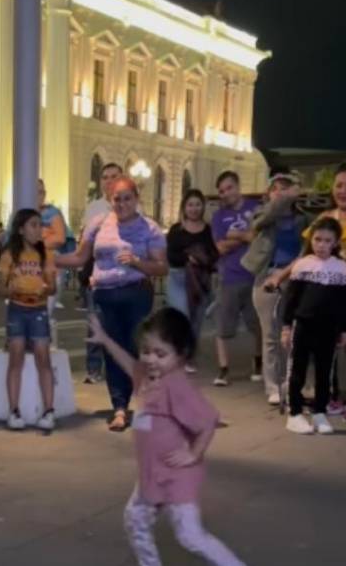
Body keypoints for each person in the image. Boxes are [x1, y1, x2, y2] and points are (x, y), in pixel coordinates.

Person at [88, 309, 265, 566]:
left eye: (160, 354)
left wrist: (193, 453)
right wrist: (106, 340)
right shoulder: (149, 378)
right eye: (146, 351)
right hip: (152, 474)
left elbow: (208, 420)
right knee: (135, 519)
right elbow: (129, 364)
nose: (151, 359)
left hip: (176, 476)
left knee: (190, 537)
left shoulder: (176, 385)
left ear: (181, 355)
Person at [57, 176, 168, 431]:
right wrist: (49, 259)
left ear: (136, 199)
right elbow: (79, 257)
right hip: (104, 296)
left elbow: (162, 267)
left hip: (136, 294)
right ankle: (119, 408)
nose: (122, 204)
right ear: (110, 200)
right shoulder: (98, 224)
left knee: (136, 349)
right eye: (117, 199)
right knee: (112, 350)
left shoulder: (149, 228)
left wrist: (137, 262)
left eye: (127, 198)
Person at [280, 217, 346, 434]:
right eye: (317, 239)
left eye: (327, 241)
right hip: (303, 325)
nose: (321, 245)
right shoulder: (302, 265)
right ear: (311, 240)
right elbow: (291, 299)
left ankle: (320, 412)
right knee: (298, 369)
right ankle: (295, 413)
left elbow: (344, 302)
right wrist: (286, 327)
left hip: (329, 328)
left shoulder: (342, 269)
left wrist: (344, 329)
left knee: (324, 371)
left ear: (335, 243)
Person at [247, 170, 311, 406]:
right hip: (267, 276)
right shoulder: (262, 214)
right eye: (275, 189)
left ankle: (291, 381)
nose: (279, 192)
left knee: (293, 334)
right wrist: (283, 198)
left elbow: (309, 246)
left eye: (284, 188)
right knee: (271, 335)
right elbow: (261, 222)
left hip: (294, 277)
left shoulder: (303, 218)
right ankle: (272, 386)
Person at [0, 208, 58, 431]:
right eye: (33, 225)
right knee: (16, 357)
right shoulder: (9, 255)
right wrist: (11, 290)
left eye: (40, 225)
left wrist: (46, 289)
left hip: (39, 310)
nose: (39, 230)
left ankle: (49, 411)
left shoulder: (46, 254)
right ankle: (13, 410)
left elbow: (53, 287)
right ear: (21, 229)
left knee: (44, 357)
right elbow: (0, 288)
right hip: (16, 310)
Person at [209, 170, 261, 387]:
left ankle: (258, 361)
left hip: (255, 275)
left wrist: (232, 236)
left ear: (238, 186)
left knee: (257, 324)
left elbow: (260, 236)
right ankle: (223, 369)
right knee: (222, 326)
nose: (226, 193)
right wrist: (244, 236)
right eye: (221, 191)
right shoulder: (219, 216)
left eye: (229, 188)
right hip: (229, 276)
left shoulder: (256, 208)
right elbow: (220, 248)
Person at [80, 162, 125, 383]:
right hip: (97, 272)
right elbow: (85, 239)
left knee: (118, 324)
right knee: (95, 321)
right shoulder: (94, 208)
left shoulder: (131, 205)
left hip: (122, 273)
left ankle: (117, 367)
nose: (109, 181)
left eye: (114, 176)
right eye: (105, 177)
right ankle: (93, 368)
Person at [166, 189, 219, 362]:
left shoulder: (208, 230)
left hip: (200, 280)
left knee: (196, 321)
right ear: (184, 207)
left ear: (202, 207)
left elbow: (214, 254)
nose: (194, 209)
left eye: (197, 204)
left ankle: (188, 356)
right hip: (178, 278)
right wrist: (188, 258)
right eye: (190, 205)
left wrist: (203, 259)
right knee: (183, 315)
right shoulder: (176, 229)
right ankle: (178, 354)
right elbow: (170, 255)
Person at [38, 178, 72, 342]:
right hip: (28, 270)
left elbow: (60, 238)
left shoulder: (53, 213)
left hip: (50, 268)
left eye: (40, 192)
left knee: (45, 312)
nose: (38, 195)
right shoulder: (21, 212)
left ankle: (48, 347)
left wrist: (35, 244)